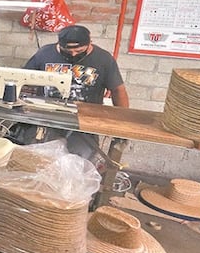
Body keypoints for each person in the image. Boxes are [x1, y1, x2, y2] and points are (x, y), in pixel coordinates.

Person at [21, 24, 129, 157]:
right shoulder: (44, 54)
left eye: (79, 51)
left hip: (84, 123)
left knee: (79, 159)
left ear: (90, 43)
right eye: (67, 51)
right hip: (47, 118)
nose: (73, 54)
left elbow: (118, 90)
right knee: (37, 156)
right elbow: (24, 79)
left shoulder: (103, 59)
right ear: (59, 44)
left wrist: (123, 121)